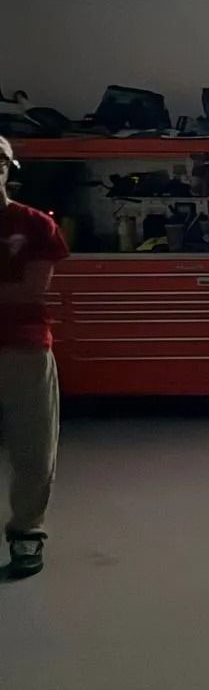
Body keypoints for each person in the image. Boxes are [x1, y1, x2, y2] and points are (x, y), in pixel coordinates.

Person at [0, 134, 66, 578]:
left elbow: (31, 289)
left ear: (7, 169)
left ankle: (26, 533)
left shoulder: (36, 226)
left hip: (22, 347)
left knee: (33, 444)